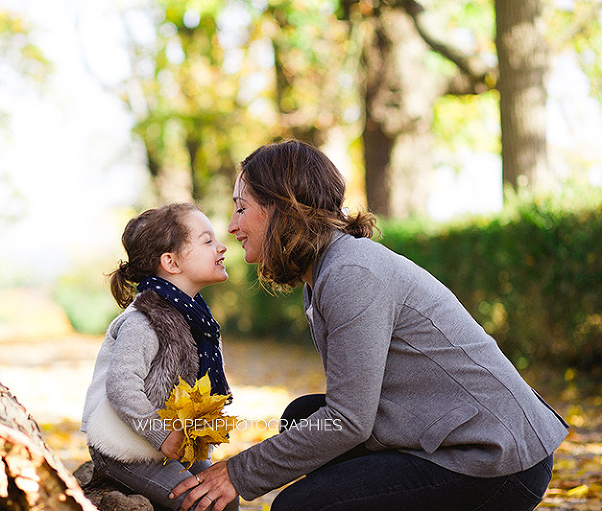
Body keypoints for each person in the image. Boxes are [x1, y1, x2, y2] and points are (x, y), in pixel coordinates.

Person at [170, 139, 569, 511]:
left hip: (498, 459)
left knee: (300, 506)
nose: (233, 225)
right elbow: (350, 411)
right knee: (302, 415)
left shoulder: (351, 274)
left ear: (280, 206)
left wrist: (236, 474)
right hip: (460, 435)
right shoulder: (329, 270)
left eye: (241, 208)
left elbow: (348, 421)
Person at [81, 203, 240, 511]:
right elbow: (122, 386)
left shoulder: (198, 320)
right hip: (125, 447)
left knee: (226, 497)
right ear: (171, 261)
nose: (221, 248)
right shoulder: (144, 319)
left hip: (169, 442)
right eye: (207, 241)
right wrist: (162, 434)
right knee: (202, 503)